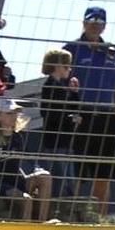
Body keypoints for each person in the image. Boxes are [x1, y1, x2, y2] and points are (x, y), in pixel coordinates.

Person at [63, 6, 115, 217]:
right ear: (83, 23)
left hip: (107, 117)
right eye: (91, 21)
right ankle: (73, 217)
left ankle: (99, 218)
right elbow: (58, 80)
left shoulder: (113, 52)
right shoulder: (71, 49)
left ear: (104, 26)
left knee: (104, 173)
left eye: (99, 22)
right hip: (81, 116)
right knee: (78, 172)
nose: (95, 26)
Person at [0, 98, 52, 220]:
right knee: (26, 200)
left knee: (45, 176)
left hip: (16, 179)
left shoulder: (18, 137)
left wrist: (27, 180)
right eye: (9, 113)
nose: (14, 116)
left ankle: (43, 221)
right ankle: (25, 227)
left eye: (15, 113)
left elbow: (16, 164)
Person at [39, 48, 81, 201]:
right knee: (61, 183)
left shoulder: (61, 87)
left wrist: (74, 93)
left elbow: (71, 108)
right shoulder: (50, 87)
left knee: (69, 182)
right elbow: (49, 113)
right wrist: (71, 119)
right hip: (55, 142)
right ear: (57, 66)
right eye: (66, 66)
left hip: (64, 141)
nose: (69, 69)